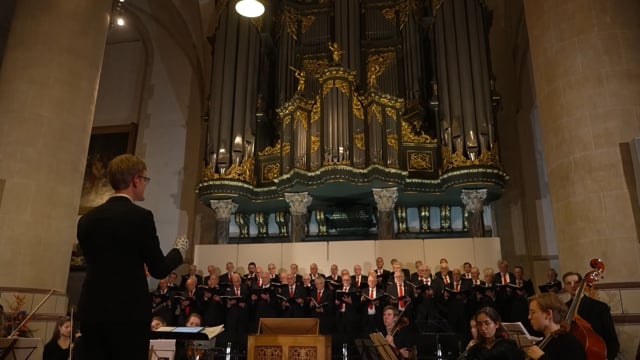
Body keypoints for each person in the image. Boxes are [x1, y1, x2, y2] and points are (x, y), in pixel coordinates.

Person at [76, 154, 188, 360]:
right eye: (145, 179)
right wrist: (178, 251)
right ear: (135, 180)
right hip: (127, 313)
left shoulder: (86, 220)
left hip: (92, 309)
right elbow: (159, 269)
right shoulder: (141, 217)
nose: (145, 185)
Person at [563, 271, 619, 360]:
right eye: (569, 283)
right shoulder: (562, 309)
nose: (573, 285)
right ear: (565, 287)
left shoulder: (600, 307)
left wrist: (608, 357)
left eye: (576, 282)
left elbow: (612, 339)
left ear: (582, 284)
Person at [524, 293, 586, 360]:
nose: (529, 317)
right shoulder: (542, 342)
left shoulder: (570, 344)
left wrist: (541, 358)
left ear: (548, 314)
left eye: (532, 312)